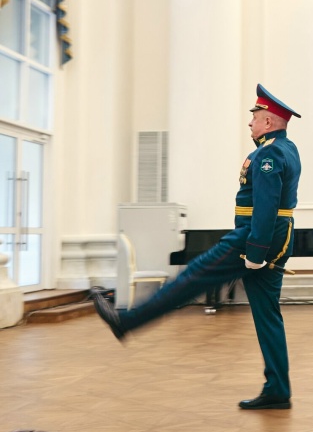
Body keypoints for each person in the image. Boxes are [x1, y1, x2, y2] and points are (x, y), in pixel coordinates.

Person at [90, 85, 302, 410]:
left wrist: (255, 254)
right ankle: (278, 388)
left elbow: (266, 207)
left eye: (256, 117)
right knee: (268, 315)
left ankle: (127, 321)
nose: (251, 123)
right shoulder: (288, 149)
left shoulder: (269, 154)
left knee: (191, 278)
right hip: (276, 237)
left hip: (253, 238)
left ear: (270, 122)